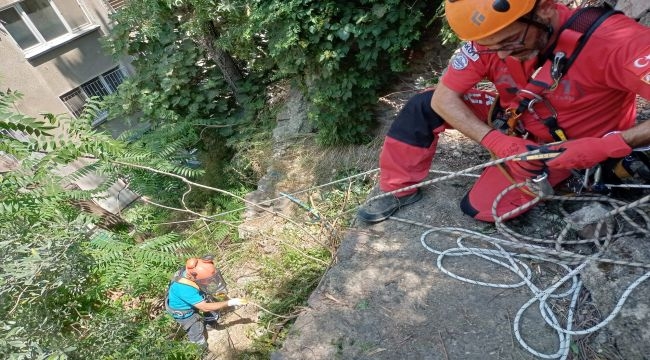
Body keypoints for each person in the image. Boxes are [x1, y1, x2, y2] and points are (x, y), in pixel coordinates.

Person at [358, 0, 650, 223]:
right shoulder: (496, 35)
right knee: (424, 103)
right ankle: (398, 190)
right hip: (518, 121)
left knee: (481, 209)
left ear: (544, 9)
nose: (501, 55)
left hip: (572, 147)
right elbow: (444, 99)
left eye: (510, 42)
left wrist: (610, 145)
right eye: (489, 47)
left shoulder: (619, 43)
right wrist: (498, 142)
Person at [165, 256, 247, 345]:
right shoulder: (183, 288)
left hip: (192, 298)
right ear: (191, 276)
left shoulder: (192, 272)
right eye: (206, 280)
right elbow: (205, 307)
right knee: (195, 328)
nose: (208, 282)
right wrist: (229, 302)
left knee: (214, 303)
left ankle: (210, 324)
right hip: (184, 311)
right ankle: (200, 347)